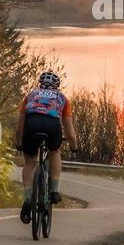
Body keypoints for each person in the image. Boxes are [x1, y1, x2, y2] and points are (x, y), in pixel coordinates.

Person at [15, 71, 78, 224]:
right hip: (52, 126)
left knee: (30, 163)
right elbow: (69, 131)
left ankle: (28, 198)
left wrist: (19, 143)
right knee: (55, 151)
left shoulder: (30, 95)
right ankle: (54, 191)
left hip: (31, 124)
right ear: (57, 86)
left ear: (40, 84)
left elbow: (20, 127)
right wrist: (73, 146)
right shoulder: (62, 98)